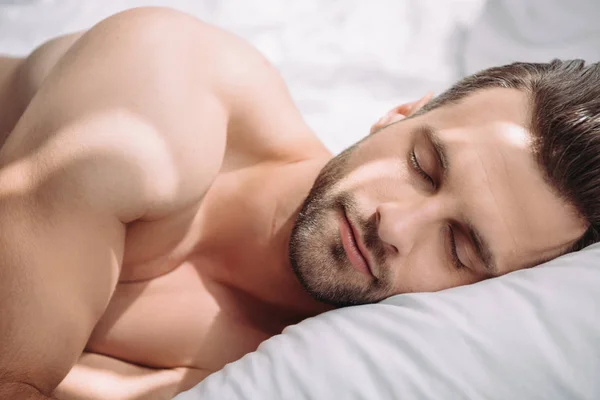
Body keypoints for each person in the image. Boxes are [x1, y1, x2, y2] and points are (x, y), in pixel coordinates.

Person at [0, 7, 597, 400]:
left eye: (460, 247)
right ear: (402, 113)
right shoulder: (173, 91)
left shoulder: (285, 372)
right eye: (424, 166)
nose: (396, 222)